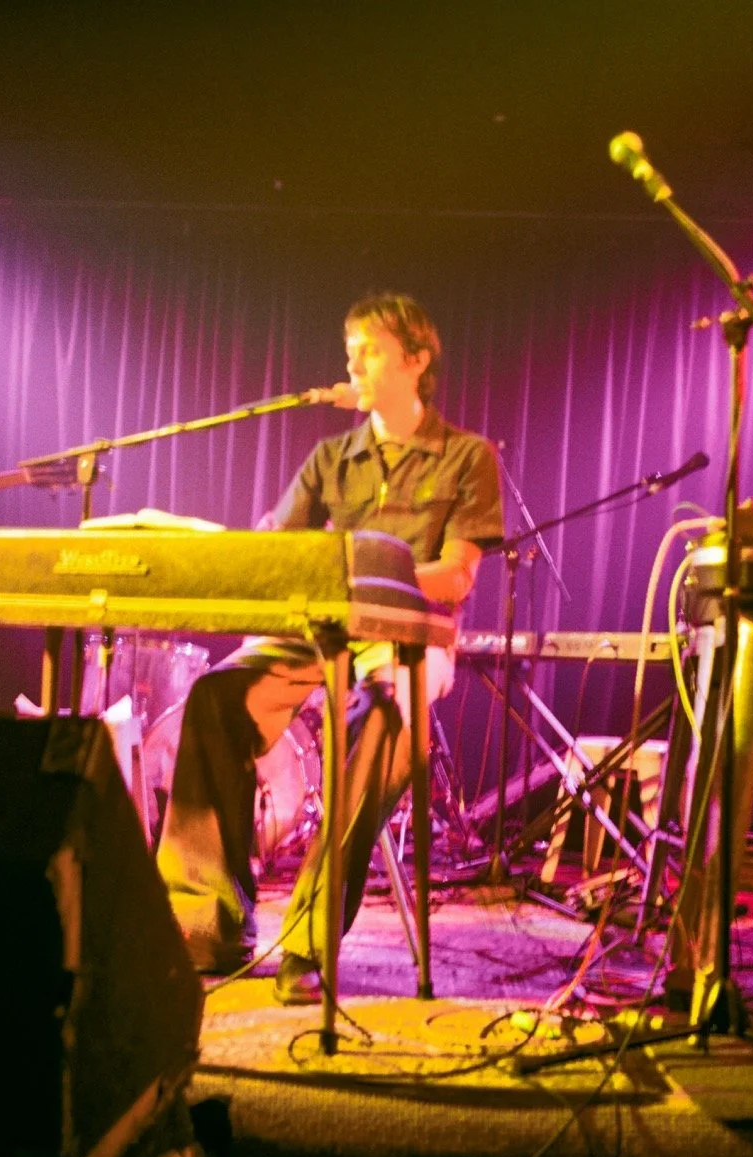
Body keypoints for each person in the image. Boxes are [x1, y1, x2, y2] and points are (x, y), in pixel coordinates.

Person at [156, 292, 505, 1003]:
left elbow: (457, 575)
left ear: (416, 359)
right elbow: (279, 552)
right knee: (214, 697)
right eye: (350, 350)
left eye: (370, 349)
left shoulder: (468, 455)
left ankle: (308, 944)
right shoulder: (329, 457)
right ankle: (209, 926)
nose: (353, 362)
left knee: (386, 723)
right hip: (313, 632)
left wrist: (364, 570)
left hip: (406, 640)